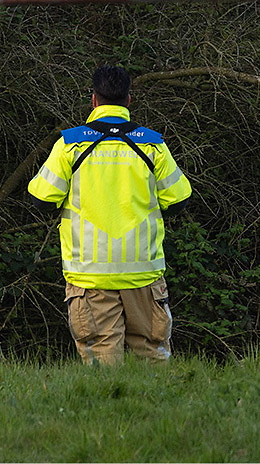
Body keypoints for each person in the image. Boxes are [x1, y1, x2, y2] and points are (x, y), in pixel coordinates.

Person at [28, 65, 191, 363]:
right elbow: (179, 200)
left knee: (102, 362)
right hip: (143, 271)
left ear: (93, 100)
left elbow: (41, 198)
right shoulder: (152, 145)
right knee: (152, 356)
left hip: (90, 275)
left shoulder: (70, 145)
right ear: (128, 100)